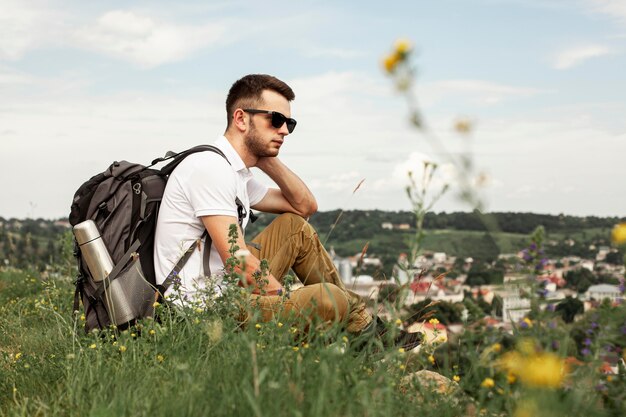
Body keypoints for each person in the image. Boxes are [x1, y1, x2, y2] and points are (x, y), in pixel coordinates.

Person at [154, 74, 421, 350]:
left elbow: (304, 207)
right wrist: (287, 303)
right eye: (276, 120)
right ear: (241, 119)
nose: (284, 131)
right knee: (332, 300)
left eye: (289, 123)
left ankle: (359, 328)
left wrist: (266, 159)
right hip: (205, 309)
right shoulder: (210, 168)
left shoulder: (236, 173)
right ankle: (358, 326)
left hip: (226, 287)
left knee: (294, 227)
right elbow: (238, 263)